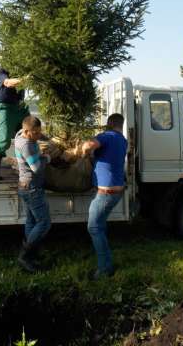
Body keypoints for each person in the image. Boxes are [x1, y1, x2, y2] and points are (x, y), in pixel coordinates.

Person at [82, 113, 128, 279]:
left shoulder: (107, 136)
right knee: (100, 226)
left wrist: (83, 152)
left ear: (109, 124)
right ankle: (103, 256)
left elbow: (88, 145)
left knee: (93, 227)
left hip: (106, 193)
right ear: (120, 125)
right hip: (116, 192)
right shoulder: (122, 140)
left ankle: (105, 268)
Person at [14, 115, 52, 272]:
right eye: (35, 133)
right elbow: (36, 168)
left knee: (31, 220)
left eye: (39, 132)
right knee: (44, 223)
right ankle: (25, 257)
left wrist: (49, 139)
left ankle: (32, 253)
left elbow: (35, 136)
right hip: (32, 187)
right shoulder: (26, 146)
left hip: (25, 186)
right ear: (26, 131)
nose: (38, 136)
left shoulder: (19, 135)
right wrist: (47, 158)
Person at [0, 66, 30, 180]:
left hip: (21, 108)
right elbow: (7, 83)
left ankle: (28, 165)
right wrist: (25, 79)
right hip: (6, 108)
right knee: (4, 140)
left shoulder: (21, 69)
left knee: (30, 133)